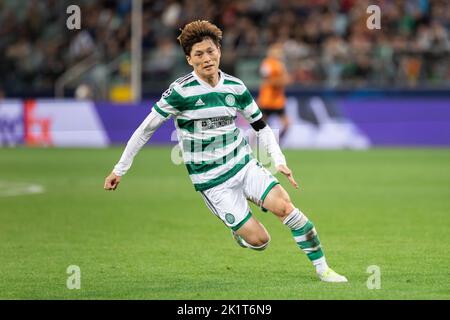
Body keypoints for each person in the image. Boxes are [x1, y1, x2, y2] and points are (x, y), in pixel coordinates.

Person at [104, 20, 347, 282]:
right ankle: (240, 232)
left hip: (243, 164)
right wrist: (120, 168)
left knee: (285, 206)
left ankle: (323, 269)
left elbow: (261, 126)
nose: (206, 59)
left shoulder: (235, 87)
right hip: (212, 181)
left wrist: (278, 160)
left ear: (219, 50)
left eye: (210, 51)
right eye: (199, 54)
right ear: (189, 59)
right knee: (260, 241)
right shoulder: (180, 92)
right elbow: (145, 130)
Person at [257, 43, 292, 140]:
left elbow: (286, 80)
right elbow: (267, 81)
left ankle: (278, 142)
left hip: (278, 101)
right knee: (259, 126)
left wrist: (284, 80)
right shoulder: (267, 64)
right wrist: (282, 80)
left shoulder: (280, 65)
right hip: (267, 100)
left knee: (287, 124)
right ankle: (250, 144)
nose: (280, 54)